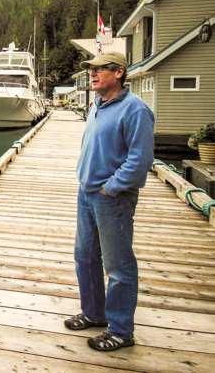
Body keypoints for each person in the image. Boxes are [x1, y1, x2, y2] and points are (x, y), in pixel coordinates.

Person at [64, 51, 155, 351]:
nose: (93, 73)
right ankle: (94, 313)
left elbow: (140, 160)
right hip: (86, 192)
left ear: (119, 72)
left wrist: (111, 188)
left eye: (101, 69)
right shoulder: (96, 106)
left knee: (119, 265)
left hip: (111, 197)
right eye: (91, 69)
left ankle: (121, 330)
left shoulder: (135, 110)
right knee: (85, 256)